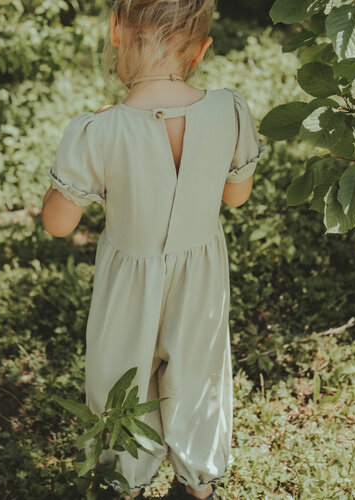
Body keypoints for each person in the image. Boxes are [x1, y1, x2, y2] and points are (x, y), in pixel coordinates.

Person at [41, 0, 267, 498]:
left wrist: (76, 162)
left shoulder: (97, 131)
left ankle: (123, 480)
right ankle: (197, 484)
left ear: (116, 32)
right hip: (201, 275)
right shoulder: (229, 109)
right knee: (198, 371)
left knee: (122, 377)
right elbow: (237, 194)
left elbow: (58, 224)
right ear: (202, 49)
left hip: (129, 282)